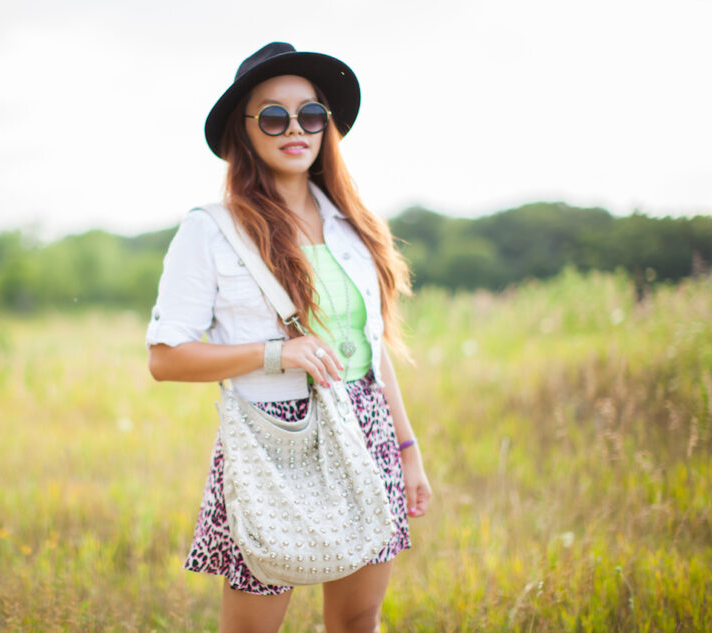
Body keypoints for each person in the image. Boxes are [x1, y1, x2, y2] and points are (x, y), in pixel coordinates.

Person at [145, 42, 432, 633]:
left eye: (311, 114)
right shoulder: (212, 230)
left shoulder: (355, 227)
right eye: (273, 116)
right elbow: (165, 358)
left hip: (367, 425)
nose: (294, 128)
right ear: (244, 132)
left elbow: (371, 352)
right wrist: (278, 352)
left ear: (328, 126)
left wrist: (407, 450)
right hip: (274, 438)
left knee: (358, 621)